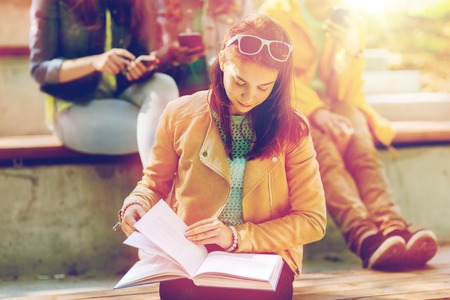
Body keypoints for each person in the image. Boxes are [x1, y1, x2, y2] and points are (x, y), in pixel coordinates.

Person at [119, 14, 327, 299]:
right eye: (240, 81)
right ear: (221, 61)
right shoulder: (179, 114)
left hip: (263, 257)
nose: (249, 96)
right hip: (191, 257)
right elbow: (153, 183)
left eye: (264, 87)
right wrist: (136, 204)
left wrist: (237, 237)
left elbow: (312, 219)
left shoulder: (294, 128)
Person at [260, 0, 438, 269]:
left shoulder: (352, 20)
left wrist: (353, 51)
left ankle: (392, 227)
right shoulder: (274, 15)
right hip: (291, 105)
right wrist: (318, 111)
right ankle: (364, 235)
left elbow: (346, 92)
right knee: (325, 157)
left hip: (338, 102)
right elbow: (275, 77)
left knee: (362, 149)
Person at [29, 0, 179, 166]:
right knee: (165, 134)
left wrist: (139, 66)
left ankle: (156, 189)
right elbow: (39, 69)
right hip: (74, 108)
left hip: (121, 96)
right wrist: (95, 62)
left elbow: (141, 52)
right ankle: (161, 188)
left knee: (164, 85)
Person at [155, 0, 254, 95]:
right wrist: (171, 53)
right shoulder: (166, 4)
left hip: (223, 91)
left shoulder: (241, 3)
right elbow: (149, 58)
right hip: (181, 89)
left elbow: (250, 49)